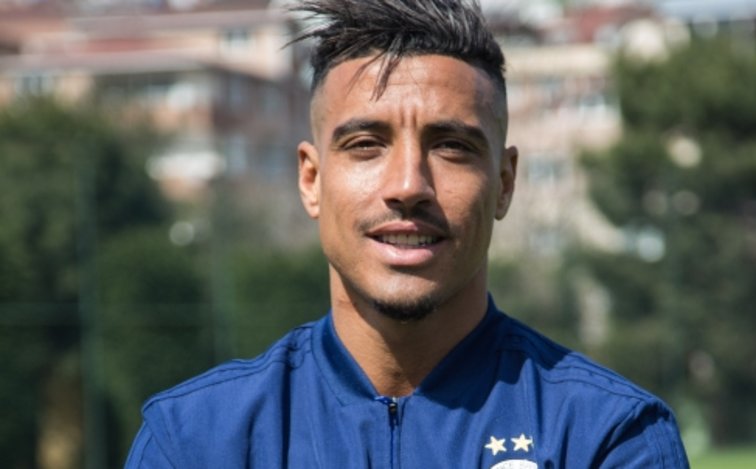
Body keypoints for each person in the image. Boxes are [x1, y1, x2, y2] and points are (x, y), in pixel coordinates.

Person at [125, 1, 690, 467]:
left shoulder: (606, 436)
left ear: (504, 183)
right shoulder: (195, 440)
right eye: (365, 145)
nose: (408, 185)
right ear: (312, 180)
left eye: (452, 147)